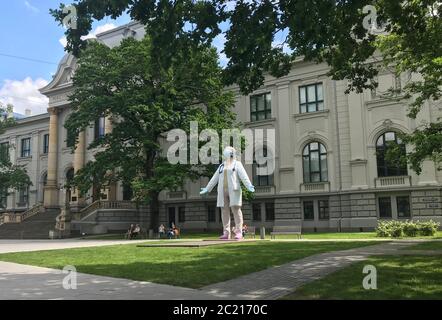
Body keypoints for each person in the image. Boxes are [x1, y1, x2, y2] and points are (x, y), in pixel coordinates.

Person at [200, 146, 255, 240]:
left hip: (234, 189)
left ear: (231, 153)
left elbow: (243, 176)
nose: (225, 153)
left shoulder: (237, 164)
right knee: (224, 211)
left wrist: (249, 185)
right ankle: (226, 232)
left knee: (236, 210)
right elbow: (214, 178)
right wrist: (207, 188)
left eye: (227, 152)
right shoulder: (222, 165)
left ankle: (239, 232)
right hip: (222, 190)